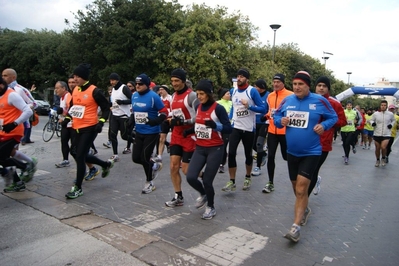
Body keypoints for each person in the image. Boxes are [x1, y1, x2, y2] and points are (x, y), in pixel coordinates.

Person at [274, 71, 337, 242]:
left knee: (302, 188)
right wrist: (281, 121)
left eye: (300, 84)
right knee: (296, 188)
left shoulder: (320, 100)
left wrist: (323, 125)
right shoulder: (288, 100)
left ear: (308, 85)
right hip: (292, 152)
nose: (297, 87)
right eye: (294, 84)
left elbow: (333, 117)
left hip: (312, 152)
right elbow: (276, 116)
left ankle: (295, 228)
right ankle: (305, 207)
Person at [64, 63, 114, 199]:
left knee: (80, 156)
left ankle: (78, 187)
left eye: (78, 77)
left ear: (85, 77)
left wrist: (102, 122)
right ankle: (105, 164)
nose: (75, 79)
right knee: (74, 152)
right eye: (74, 76)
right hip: (76, 127)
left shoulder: (94, 91)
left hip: (90, 128)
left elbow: (105, 108)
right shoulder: (75, 90)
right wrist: (67, 118)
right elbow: (73, 107)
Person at [185, 79, 232, 219]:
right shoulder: (198, 107)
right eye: (198, 93)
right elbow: (199, 125)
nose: (199, 96)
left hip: (215, 148)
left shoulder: (218, 108)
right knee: (190, 176)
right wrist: (189, 131)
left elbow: (229, 128)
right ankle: (204, 194)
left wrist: (216, 126)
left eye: (202, 94)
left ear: (209, 94)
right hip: (200, 147)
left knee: (207, 181)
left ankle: (211, 207)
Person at [221, 68, 265, 192]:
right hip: (236, 127)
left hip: (248, 128)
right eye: (238, 76)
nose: (239, 78)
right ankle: (232, 181)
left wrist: (249, 106)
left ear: (247, 79)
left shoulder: (252, 91)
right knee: (232, 153)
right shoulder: (233, 91)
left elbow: (263, 108)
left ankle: (247, 177)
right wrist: (229, 119)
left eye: (242, 76)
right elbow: (233, 108)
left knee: (247, 154)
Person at [308, 76, 346, 202]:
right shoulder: (308, 100)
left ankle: (303, 201)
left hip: (323, 143)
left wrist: (326, 123)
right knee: (304, 171)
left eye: (324, 86)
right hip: (306, 141)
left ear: (328, 88)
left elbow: (342, 121)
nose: (321, 88)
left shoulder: (334, 103)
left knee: (312, 170)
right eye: (319, 85)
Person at [165, 68, 199, 207]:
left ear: (184, 81)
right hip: (177, 135)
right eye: (172, 81)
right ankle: (178, 196)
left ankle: (203, 181)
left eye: (177, 81)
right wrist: (169, 119)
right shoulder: (173, 96)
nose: (174, 83)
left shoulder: (191, 96)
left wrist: (183, 122)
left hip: (190, 135)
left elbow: (200, 116)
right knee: (173, 167)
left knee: (186, 170)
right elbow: (174, 114)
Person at [129, 74, 167, 194]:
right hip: (139, 131)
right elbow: (134, 112)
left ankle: (149, 182)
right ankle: (154, 165)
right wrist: (130, 120)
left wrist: (156, 121)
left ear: (147, 85)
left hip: (151, 131)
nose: (138, 86)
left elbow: (164, 112)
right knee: (136, 158)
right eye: (136, 84)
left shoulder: (153, 97)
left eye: (141, 84)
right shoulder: (134, 96)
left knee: (145, 157)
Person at [2, 68, 38, 179]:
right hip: (5, 127)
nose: (3, 77)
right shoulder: (3, 90)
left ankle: (21, 172)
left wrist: (19, 114)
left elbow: (33, 103)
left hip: (18, 126)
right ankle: (28, 164)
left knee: (8, 153)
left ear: (13, 77)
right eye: (2, 75)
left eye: (5, 75)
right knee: (10, 152)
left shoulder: (18, 90)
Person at [0, 78, 34, 192]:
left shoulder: (12, 95)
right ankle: (18, 182)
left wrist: (14, 123)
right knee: (4, 158)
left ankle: (26, 166)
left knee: (2, 157)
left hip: (14, 132)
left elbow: (28, 111)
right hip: (2, 132)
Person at [261, 74, 293, 193]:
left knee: (287, 157)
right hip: (272, 131)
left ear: (283, 83)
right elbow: (271, 111)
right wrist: (266, 116)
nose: (275, 84)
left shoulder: (290, 95)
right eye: (274, 82)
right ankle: (270, 182)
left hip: (285, 131)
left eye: (278, 82)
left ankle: (299, 177)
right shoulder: (270, 96)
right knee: (270, 156)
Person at [108, 73, 132, 162]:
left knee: (124, 136)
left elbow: (132, 99)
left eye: (113, 80)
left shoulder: (124, 88)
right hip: (115, 115)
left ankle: (138, 143)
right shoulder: (113, 89)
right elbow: (113, 102)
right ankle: (115, 154)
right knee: (112, 134)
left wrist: (123, 102)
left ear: (117, 80)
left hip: (124, 116)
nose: (112, 82)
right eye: (110, 80)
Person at [251, 79, 269, 176]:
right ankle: (263, 155)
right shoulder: (253, 95)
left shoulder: (268, 96)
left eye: (256, 86)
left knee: (259, 144)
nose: (255, 88)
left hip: (264, 123)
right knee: (253, 145)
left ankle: (258, 167)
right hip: (254, 122)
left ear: (261, 87)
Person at [370, 100, 395, 167]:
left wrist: (391, 125)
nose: (383, 107)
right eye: (382, 105)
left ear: (386, 106)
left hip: (386, 133)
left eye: (384, 105)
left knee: (383, 147)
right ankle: (377, 160)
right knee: (377, 148)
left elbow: (393, 120)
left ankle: (383, 158)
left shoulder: (390, 114)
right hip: (377, 133)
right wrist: (373, 123)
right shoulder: (376, 114)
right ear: (380, 106)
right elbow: (371, 120)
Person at [54, 81, 73, 168]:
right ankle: (65, 160)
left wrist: (63, 113)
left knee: (74, 146)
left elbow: (72, 109)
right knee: (64, 142)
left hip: (72, 125)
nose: (56, 90)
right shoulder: (61, 98)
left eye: (57, 88)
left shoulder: (68, 96)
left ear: (64, 88)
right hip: (65, 124)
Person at [216, 88, 232, 173]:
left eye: (229, 94)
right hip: (219, 127)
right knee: (219, 145)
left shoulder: (232, 103)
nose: (229, 95)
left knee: (224, 145)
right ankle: (219, 163)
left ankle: (222, 164)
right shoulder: (217, 103)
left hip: (228, 127)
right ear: (222, 95)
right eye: (227, 94)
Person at [155, 85, 173, 162]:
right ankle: (159, 156)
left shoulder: (170, 98)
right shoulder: (159, 99)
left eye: (162, 89)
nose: (160, 91)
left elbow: (174, 109)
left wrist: (168, 114)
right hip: (163, 120)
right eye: (159, 90)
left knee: (175, 138)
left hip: (171, 119)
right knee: (162, 138)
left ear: (166, 90)